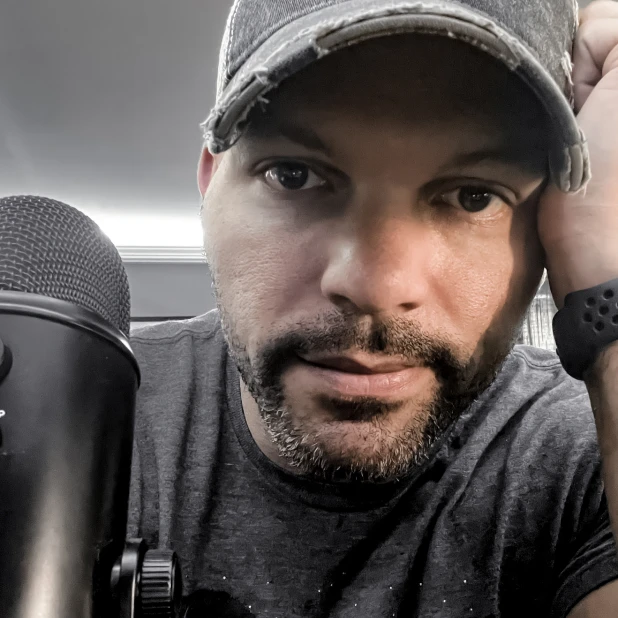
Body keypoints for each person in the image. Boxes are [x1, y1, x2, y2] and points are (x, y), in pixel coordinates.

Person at [127, 0, 618, 615]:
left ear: (548, 222)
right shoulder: (90, 416)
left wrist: (610, 283)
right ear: (210, 181)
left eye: (471, 197)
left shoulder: (581, 454)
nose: (375, 286)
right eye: (295, 175)